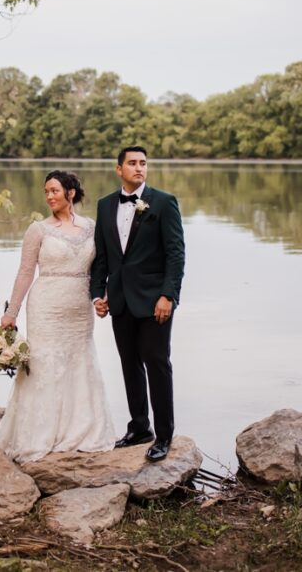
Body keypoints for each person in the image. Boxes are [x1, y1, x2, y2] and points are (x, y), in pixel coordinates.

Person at [0, 170, 116, 463]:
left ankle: (81, 429)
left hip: (79, 308)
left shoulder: (91, 227)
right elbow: (25, 271)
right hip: (46, 306)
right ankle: (39, 433)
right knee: (44, 364)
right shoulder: (38, 230)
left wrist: (103, 294)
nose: (49, 197)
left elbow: (101, 268)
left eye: (54, 191)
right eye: (46, 192)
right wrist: (11, 312)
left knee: (80, 361)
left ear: (71, 193)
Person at [90, 146, 185, 462]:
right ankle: (139, 428)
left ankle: (165, 435)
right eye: (132, 163)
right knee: (129, 364)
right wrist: (98, 294)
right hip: (119, 300)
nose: (139, 168)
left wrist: (168, 295)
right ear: (119, 169)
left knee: (157, 364)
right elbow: (102, 257)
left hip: (155, 300)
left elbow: (175, 254)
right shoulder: (104, 206)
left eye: (143, 163)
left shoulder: (164, 202)